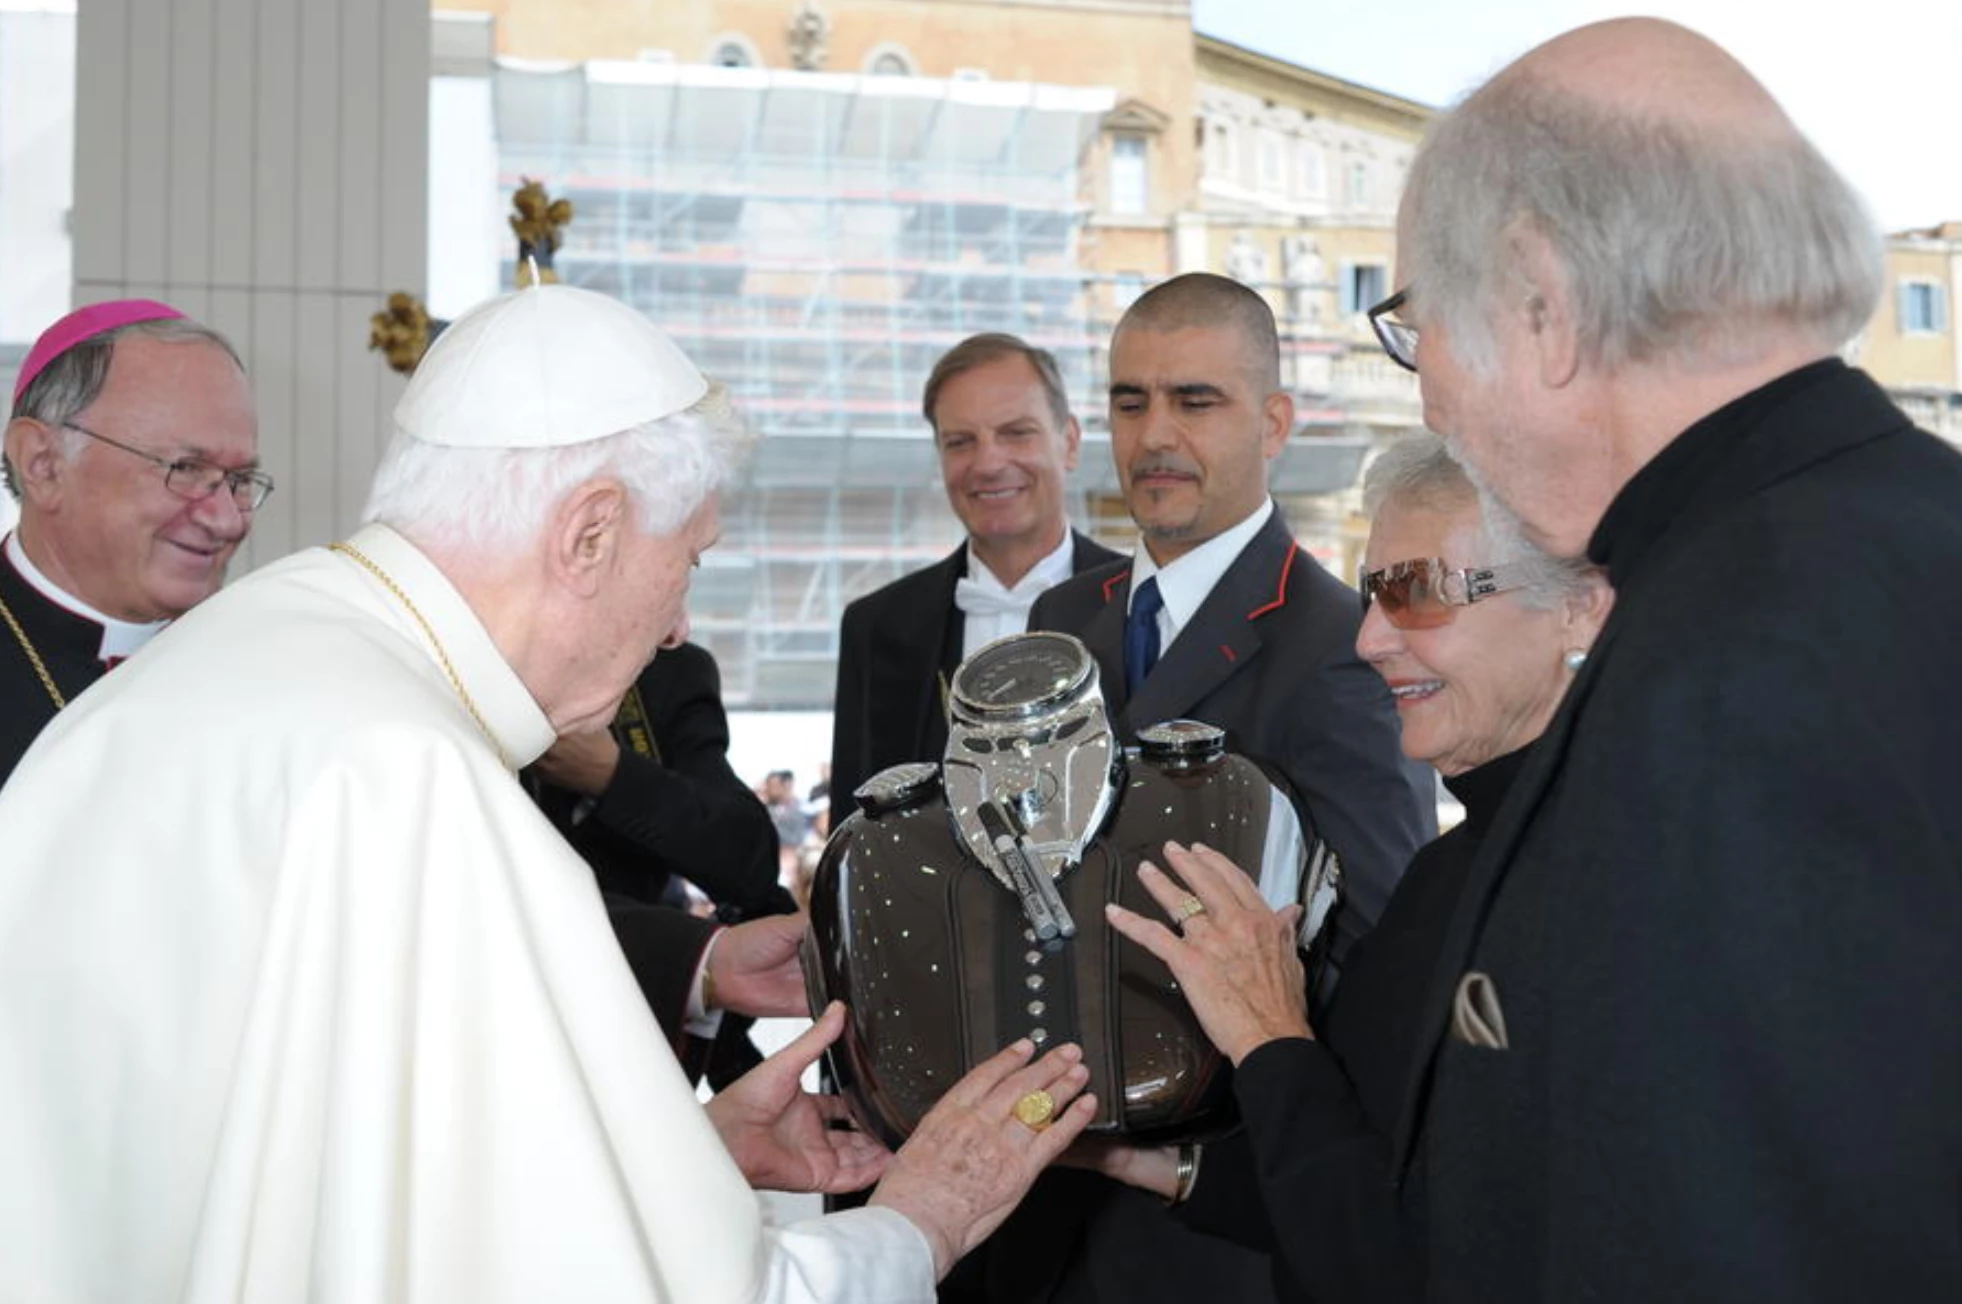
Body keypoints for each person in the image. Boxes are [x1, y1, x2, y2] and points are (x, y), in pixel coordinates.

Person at [0, 283, 1098, 1302]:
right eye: (691, 562)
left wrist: (688, 1152)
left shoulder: (254, 649)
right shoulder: (415, 779)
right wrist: (922, 1217)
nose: (676, 625)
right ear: (589, 531)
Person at [1379, 18, 1962, 1299]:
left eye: (1414, 318)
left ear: (1542, 301)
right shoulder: (1906, 537)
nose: (1426, 394)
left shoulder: (1728, 680)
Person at [997, 273, 1433, 1304]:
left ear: (1274, 421)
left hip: (1216, 1223)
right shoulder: (1068, 613)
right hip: (1043, 1196)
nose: (1156, 434)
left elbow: (1375, 946)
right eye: (1129, 399)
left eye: (1197, 401)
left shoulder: (1336, 643)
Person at [1096, 432, 1610, 1303]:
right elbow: (1346, 1177)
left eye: (1417, 592)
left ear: (1579, 608)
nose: (1370, 636)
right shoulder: (1449, 872)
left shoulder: (1612, 888)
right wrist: (1124, 1154)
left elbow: (1410, 1261)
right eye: (1375, 591)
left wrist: (1268, 1029)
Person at [829, 332, 1118, 830]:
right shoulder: (877, 627)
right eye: (960, 442)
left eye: (1016, 432)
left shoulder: (1140, 602)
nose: (987, 463)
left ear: (1069, 442)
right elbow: (856, 831)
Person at [0, 299, 262, 785]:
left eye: (241, 478)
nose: (226, 519)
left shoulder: (262, 665)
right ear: (42, 463)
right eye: (185, 469)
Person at [526, 636, 800, 1085]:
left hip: (631, 1022)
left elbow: (747, 860)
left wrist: (613, 775)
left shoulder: (667, 671)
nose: (678, 627)